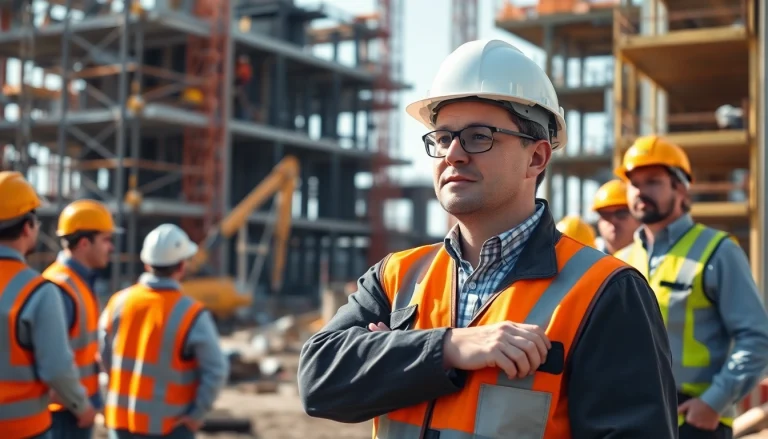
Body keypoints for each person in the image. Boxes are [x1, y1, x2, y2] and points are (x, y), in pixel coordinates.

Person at [297, 39, 677, 438]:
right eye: (443, 138)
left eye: (479, 136)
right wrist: (448, 347)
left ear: (537, 158)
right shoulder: (397, 276)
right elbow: (318, 379)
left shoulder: (606, 292)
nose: (453, 154)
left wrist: (389, 353)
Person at [614, 134, 768, 439]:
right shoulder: (620, 261)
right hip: (631, 419)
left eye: (653, 181)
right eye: (634, 183)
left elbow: (757, 338)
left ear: (681, 187)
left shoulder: (718, 250)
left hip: (695, 422)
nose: (641, 191)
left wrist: (714, 403)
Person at [98, 223, 228, 439]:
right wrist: (197, 414)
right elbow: (216, 370)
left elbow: (104, 356)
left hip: (120, 423)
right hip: (170, 427)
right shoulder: (192, 313)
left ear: (147, 264)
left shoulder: (118, 302)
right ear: (181, 267)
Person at [0, 171, 97, 439]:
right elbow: (56, 368)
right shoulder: (38, 292)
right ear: (27, 227)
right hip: (22, 429)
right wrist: (82, 407)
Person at [44, 199, 119, 439]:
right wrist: (81, 407)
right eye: (106, 240)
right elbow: (50, 362)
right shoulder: (59, 287)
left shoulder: (79, 282)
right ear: (84, 243)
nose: (112, 248)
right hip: (65, 415)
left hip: (75, 410)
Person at [591, 179, 641, 255]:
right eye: (605, 215)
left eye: (621, 213)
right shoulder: (591, 259)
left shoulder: (651, 258)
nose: (613, 220)